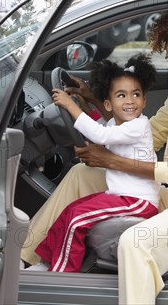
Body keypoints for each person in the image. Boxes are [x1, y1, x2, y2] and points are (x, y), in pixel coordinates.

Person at [20, 7, 168, 304]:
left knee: (133, 245)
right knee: (80, 174)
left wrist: (110, 160)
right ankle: (23, 261)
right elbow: (148, 133)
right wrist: (97, 102)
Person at [33, 55, 160, 273]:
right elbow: (103, 126)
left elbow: (99, 135)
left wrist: (69, 106)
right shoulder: (118, 124)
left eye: (136, 95)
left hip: (138, 201)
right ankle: (46, 261)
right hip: (121, 195)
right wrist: (83, 103)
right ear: (109, 104)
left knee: (77, 220)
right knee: (71, 209)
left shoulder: (139, 126)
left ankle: (62, 275)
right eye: (122, 95)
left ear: (144, 101)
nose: (130, 101)